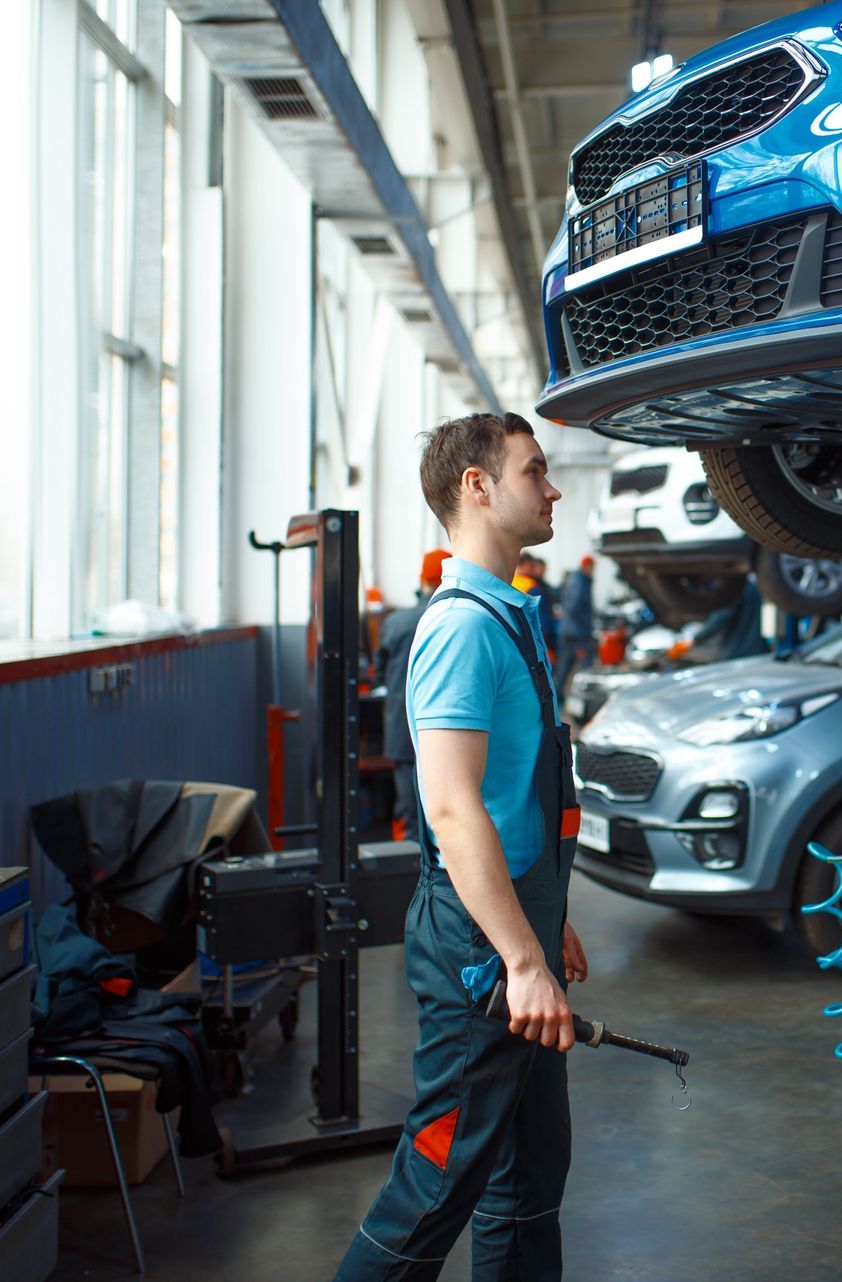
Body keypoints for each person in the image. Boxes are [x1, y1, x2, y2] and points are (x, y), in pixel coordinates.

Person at [334, 412, 585, 1282]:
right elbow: (451, 809)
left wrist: (550, 919)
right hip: (482, 955)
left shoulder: (511, 615)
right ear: (476, 487)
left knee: (527, 1173)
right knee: (438, 1178)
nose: (552, 489)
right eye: (535, 471)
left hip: (518, 925)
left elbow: (520, 794)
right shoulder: (461, 628)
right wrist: (520, 957)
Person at [376, 548, 449, 842]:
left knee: (410, 809)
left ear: (423, 580)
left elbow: (379, 674)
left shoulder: (396, 622)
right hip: (449, 733)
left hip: (403, 731)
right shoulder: (458, 619)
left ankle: (407, 878)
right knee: (445, 811)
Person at [555, 556, 595, 695]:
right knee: (586, 667)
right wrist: (586, 626)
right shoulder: (579, 581)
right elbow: (574, 606)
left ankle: (557, 697)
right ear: (587, 566)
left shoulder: (574, 580)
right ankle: (585, 699)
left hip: (569, 631)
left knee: (565, 666)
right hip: (577, 633)